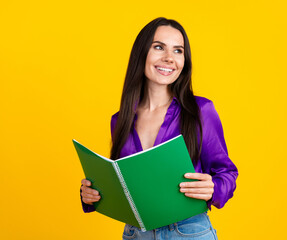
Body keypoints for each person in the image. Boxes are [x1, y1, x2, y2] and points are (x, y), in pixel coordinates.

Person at [80, 17, 238, 239]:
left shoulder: (200, 110)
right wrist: (92, 193)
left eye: (178, 51)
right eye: (158, 47)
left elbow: (227, 173)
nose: (169, 58)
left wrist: (215, 188)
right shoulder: (120, 120)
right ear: (141, 53)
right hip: (136, 233)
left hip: (188, 231)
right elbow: (124, 184)